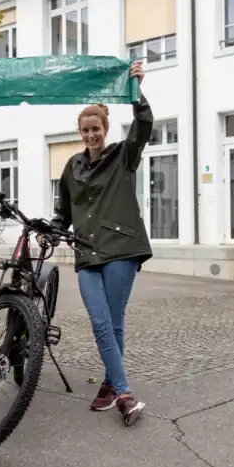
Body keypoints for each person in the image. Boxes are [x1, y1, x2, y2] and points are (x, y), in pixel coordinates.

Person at [49, 61, 152, 425]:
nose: (91, 134)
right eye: (85, 130)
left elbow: (144, 127)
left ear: (106, 129)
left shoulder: (122, 156)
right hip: (86, 251)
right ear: (80, 132)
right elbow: (63, 206)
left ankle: (116, 390)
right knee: (100, 322)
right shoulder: (72, 166)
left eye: (96, 129)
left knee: (113, 323)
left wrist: (136, 91)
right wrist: (54, 227)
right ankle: (120, 390)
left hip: (121, 249)